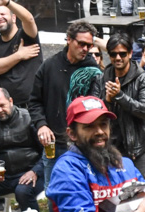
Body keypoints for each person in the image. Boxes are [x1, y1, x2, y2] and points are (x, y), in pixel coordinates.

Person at [29, 21, 101, 189]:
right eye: (81, 44)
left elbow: (96, 108)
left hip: (83, 146)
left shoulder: (93, 70)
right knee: (54, 194)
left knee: (84, 193)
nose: (85, 49)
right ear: (68, 39)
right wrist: (41, 125)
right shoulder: (49, 65)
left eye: (89, 46)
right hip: (54, 143)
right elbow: (34, 101)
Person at [103, 33, 145, 177]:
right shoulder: (102, 77)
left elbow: (144, 110)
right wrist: (108, 101)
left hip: (135, 149)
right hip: (109, 148)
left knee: (138, 195)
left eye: (122, 54)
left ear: (130, 53)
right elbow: (96, 113)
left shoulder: (143, 78)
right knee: (110, 195)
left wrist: (119, 96)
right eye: (113, 54)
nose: (118, 58)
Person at [0, 0, 41, 108]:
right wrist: (19, 55)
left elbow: (29, 19)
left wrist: (7, 3)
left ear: (14, 18)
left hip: (33, 105)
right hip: (8, 108)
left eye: (3, 14)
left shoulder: (26, 36)